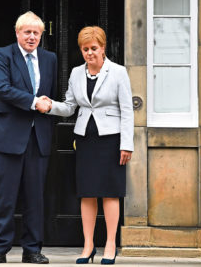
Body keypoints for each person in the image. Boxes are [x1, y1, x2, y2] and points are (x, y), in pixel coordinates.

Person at [42, 26, 133, 265]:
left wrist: (127, 144)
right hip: (85, 140)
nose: (89, 53)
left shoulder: (118, 72)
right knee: (87, 193)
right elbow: (70, 107)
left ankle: (110, 244)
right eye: (85, 49)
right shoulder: (75, 73)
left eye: (94, 48)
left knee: (111, 192)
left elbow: (127, 110)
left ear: (103, 48)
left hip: (112, 141)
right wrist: (50, 105)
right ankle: (88, 245)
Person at [0, 11, 57, 264]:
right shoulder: (1, 55)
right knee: (4, 198)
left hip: (39, 138)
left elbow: (50, 95)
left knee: (35, 198)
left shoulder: (50, 59)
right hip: (8, 139)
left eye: (37, 33)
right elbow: (2, 89)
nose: (32, 37)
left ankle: (32, 250)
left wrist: (47, 104)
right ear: (17, 33)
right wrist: (35, 102)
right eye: (27, 32)